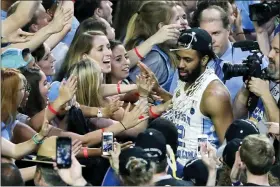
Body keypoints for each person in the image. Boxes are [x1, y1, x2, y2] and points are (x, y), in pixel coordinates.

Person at [146, 28, 233, 165]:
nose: (180, 65)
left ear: (204, 60)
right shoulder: (186, 78)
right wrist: (158, 90)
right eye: (179, 58)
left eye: (187, 60)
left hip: (200, 175)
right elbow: (184, 105)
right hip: (177, 168)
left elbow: (228, 147)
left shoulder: (215, 95)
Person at [171, 5, 260, 101]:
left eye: (216, 33)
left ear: (228, 30)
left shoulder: (250, 57)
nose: (211, 40)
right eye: (205, 34)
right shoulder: (189, 60)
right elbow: (173, 99)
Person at [125, 1, 183, 91]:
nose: (181, 24)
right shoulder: (155, 58)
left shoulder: (151, 46)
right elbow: (134, 93)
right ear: (162, 27)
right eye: (177, 19)